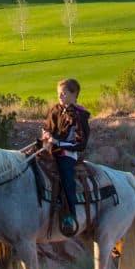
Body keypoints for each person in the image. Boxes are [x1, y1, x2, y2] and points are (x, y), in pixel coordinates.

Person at [38, 78, 91, 235]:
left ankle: (70, 215)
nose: (60, 96)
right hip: (49, 149)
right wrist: (46, 134)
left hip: (67, 153)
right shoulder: (55, 110)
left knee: (66, 177)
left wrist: (58, 143)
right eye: (58, 93)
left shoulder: (80, 116)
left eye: (63, 93)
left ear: (74, 94)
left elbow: (80, 143)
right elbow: (47, 126)